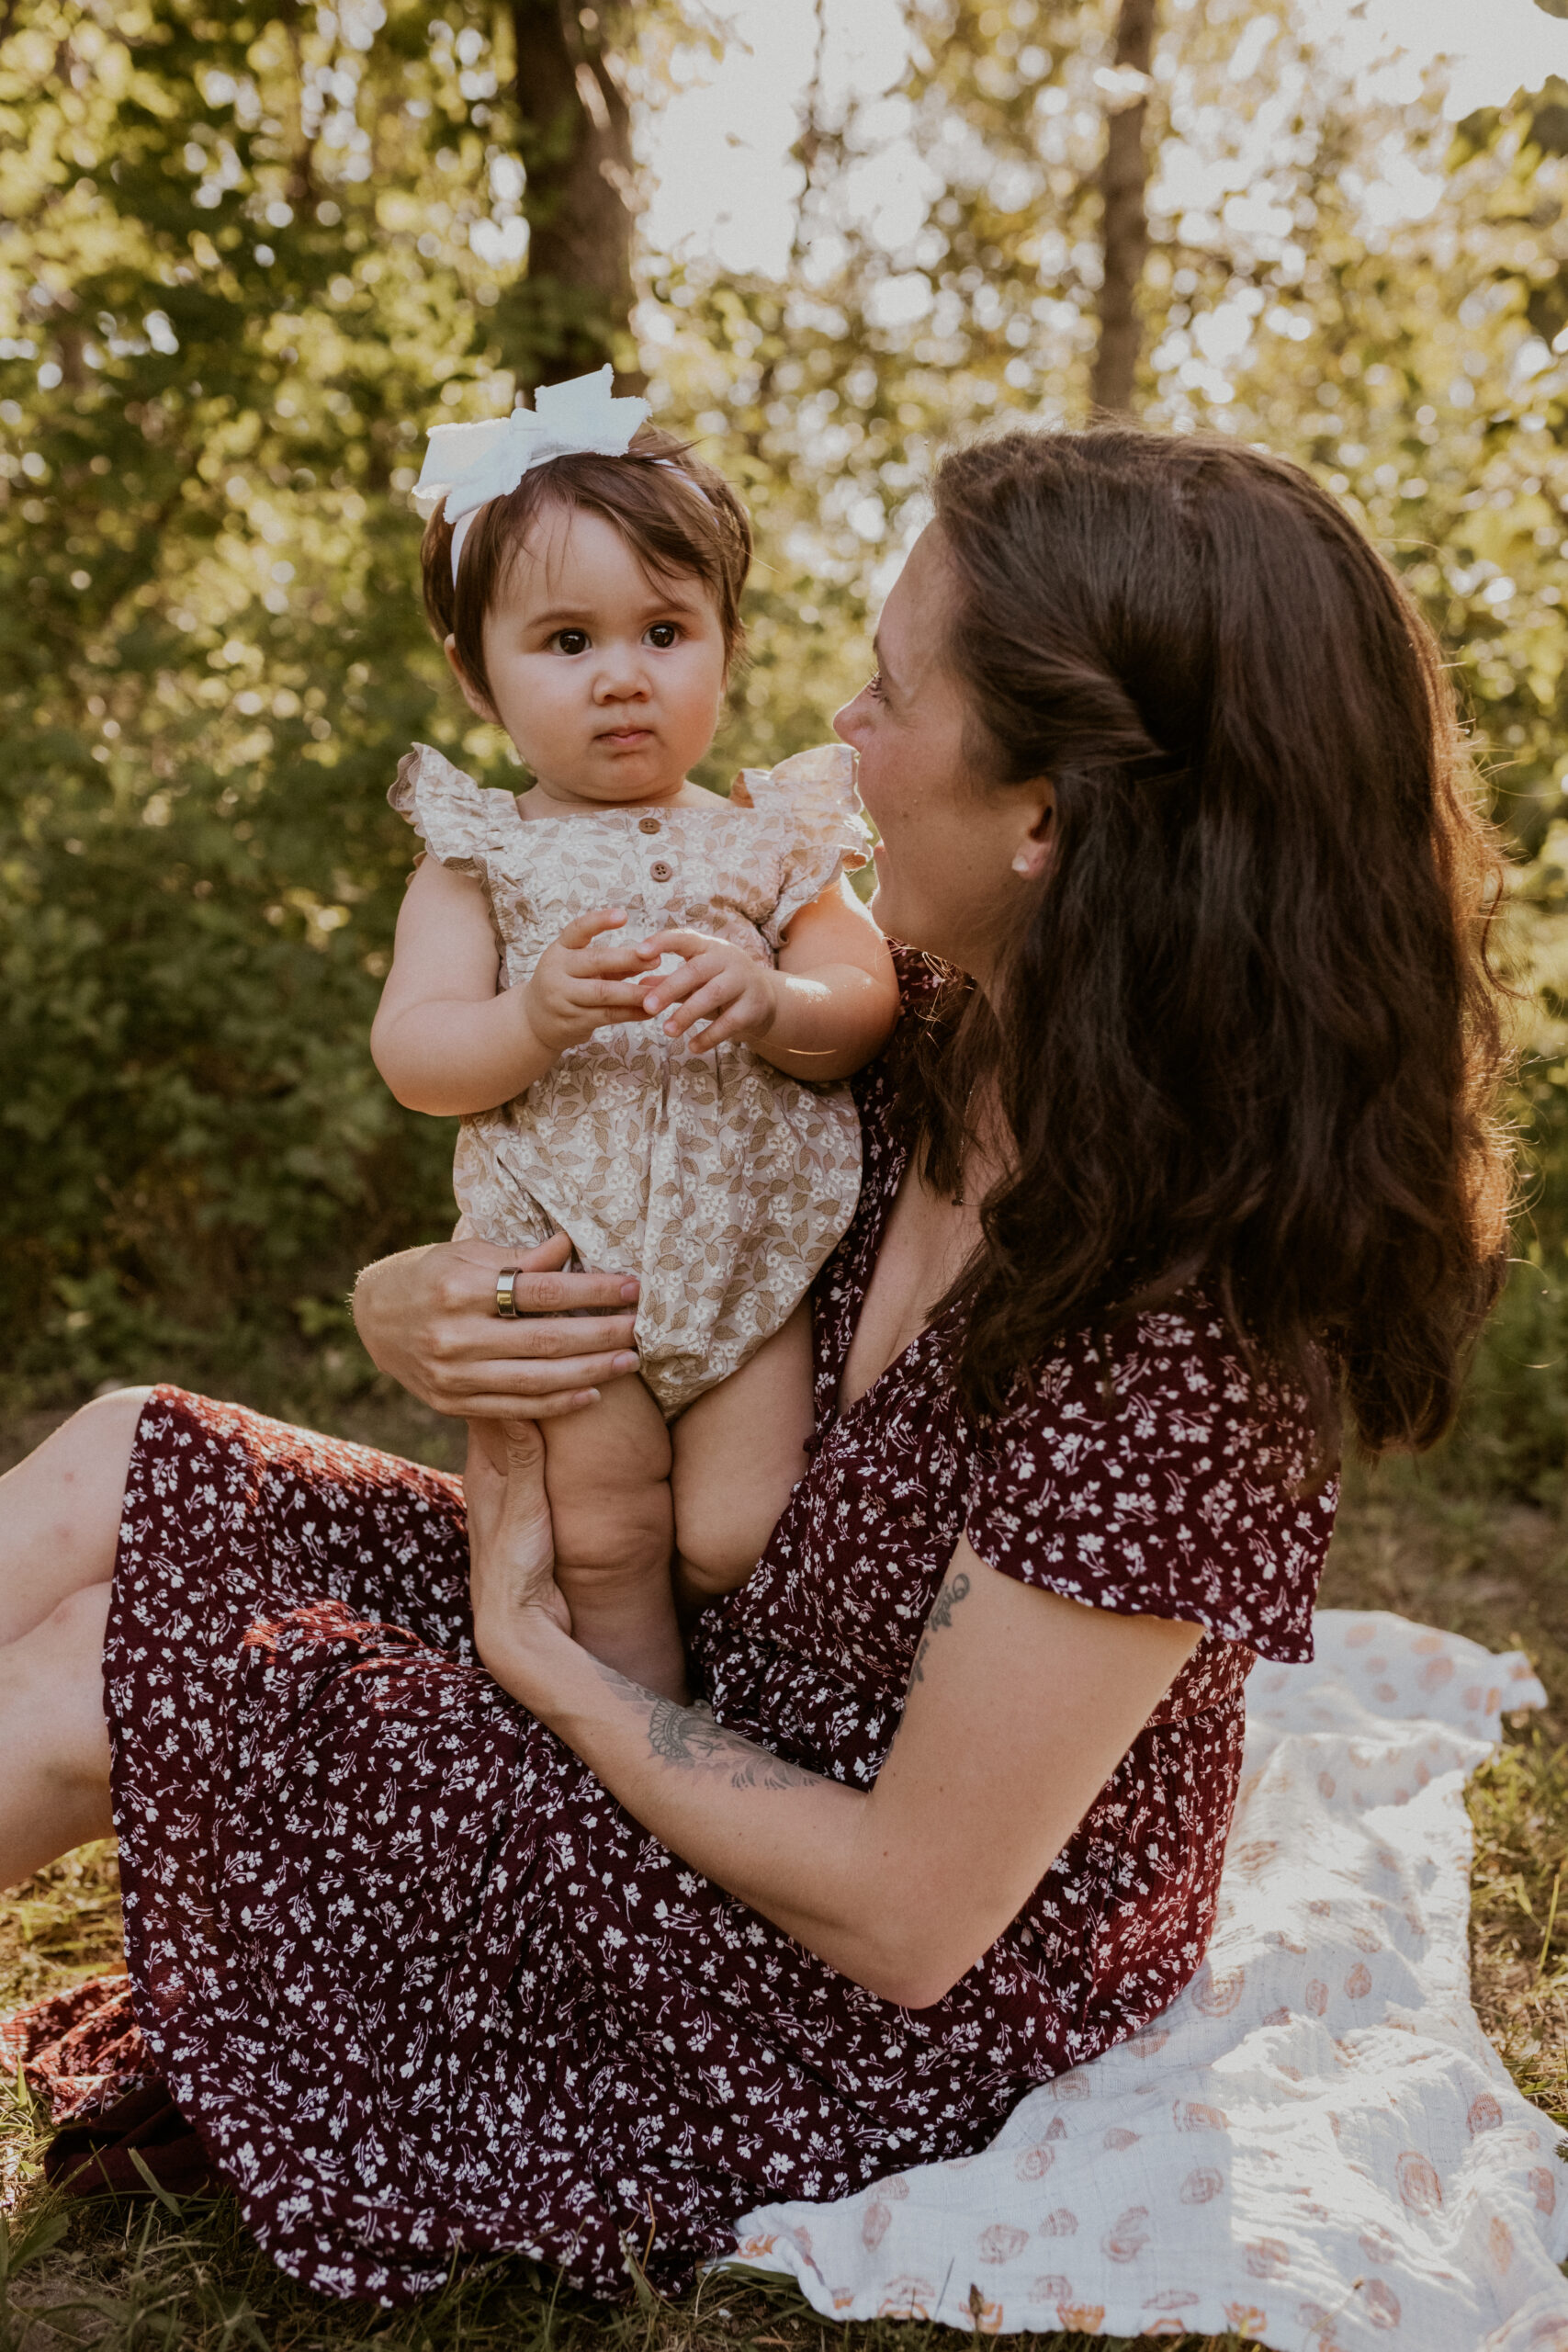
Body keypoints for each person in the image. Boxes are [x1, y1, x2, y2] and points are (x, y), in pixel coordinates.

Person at [0, 424, 1509, 2307]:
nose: (837, 731)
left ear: (1045, 812)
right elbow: (575, 1175)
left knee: (106, 1680)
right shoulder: (905, 1040)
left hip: (818, 1984)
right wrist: (418, 1300)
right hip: (696, 1684)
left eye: (890, 688)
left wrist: (548, 1669)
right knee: (140, 1444)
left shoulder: (1186, 1349)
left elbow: (901, 1912)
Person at [372, 368, 898, 1695]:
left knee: (737, 1530)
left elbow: (863, 995)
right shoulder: (479, 853)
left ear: (726, 640)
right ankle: (629, 1761)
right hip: (562, 1272)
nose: (623, 679)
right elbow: (420, 1055)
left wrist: (778, 1003)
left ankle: (731, 1735)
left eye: (665, 633)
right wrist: (533, 1016)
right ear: (475, 673)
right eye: (566, 644)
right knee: (601, 1535)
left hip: (747, 1243)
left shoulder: (776, 836)